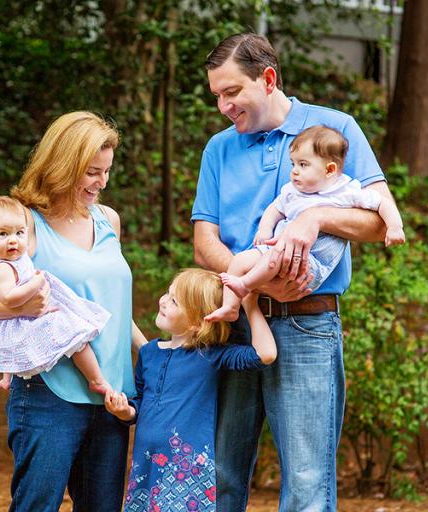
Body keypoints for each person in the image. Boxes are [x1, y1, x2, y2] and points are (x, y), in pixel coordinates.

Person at [192, 33, 400, 511]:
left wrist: (317, 217)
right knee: (219, 473)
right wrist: (254, 279)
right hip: (234, 324)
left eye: (231, 93)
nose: (223, 106)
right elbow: (205, 242)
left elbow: (377, 218)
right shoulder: (218, 150)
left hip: (308, 323)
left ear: (267, 79)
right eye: (216, 96)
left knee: (307, 482)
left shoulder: (334, 128)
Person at [0, 111, 147, 512]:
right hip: (49, 394)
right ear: (64, 165)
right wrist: (21, 303)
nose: (101, 182)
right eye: (92, 172)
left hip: (110, 395)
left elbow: (111, 304)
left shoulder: (108, 220)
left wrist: (151, 350)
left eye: (106, 172)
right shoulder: (25, 223)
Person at [104, 268, 276, 512]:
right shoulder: (148, 353)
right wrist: (126, 411)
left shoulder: (210, 356)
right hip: (146, 463)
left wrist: (250, 305)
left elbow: (265, 354)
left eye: (174, 301)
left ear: (198, 322)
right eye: (168, 293)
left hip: (187, 469)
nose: (163, 301)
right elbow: (140, 403)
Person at [205, 125, 405, 322]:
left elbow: (382, 203)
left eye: (303, 165)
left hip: (311, 263)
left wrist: (395, 227)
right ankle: (230, 307)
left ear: (329, 170)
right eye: (293, 164)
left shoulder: (345, 192)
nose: (294, 171)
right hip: (276, 252)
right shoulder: (293, 192)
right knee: (240, 260)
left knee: (279, 253)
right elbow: (275, 208)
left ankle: (245, 284)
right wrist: (265, 228)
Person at [0, 195, 113, 394]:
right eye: (3, 234)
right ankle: (96, 379)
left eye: (19, 233)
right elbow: (8, 298)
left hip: (29, 312)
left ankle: (7, 378)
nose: (13, 240)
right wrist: (36, 282)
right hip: (27, 315)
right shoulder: (3, 267)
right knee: (75, 337)